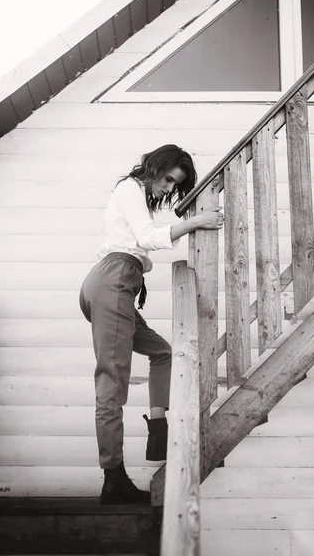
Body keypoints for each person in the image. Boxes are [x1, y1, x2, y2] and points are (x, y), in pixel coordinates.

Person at [79, 144, 224, 505]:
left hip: (118, 285)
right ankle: (113, 478)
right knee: (112, 383)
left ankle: (157, 430)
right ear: (155, 166)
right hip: (113, 280)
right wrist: (196, 222)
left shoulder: (137, 196)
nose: (166, 187)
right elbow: (146, 239)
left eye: (173, 184)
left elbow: (142, 241)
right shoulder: (129, 188)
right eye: (166, 178)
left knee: (163, 353)